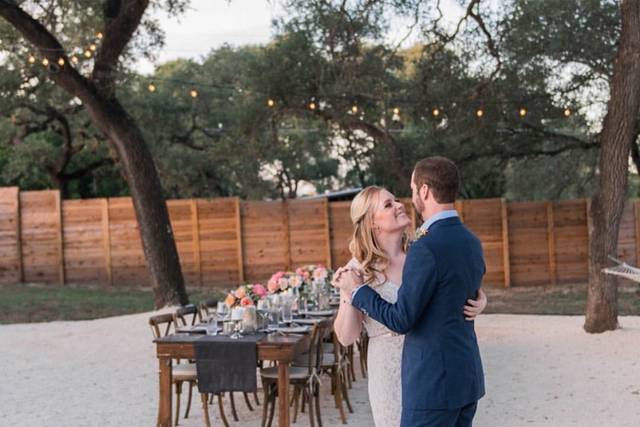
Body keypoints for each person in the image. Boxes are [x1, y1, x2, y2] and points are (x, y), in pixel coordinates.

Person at [333, 160, 487, 426]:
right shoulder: (357, 270)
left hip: (430, 374)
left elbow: (451, 289)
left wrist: (480, 299)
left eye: (396, 200)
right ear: (371, 222)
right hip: (390, 372)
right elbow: (347, 338)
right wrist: (350, 294)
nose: (399, 204)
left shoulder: (421, 252)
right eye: (388, 204)